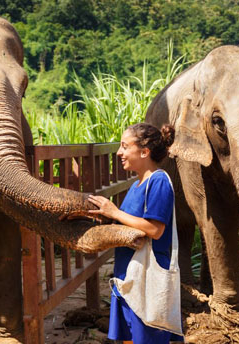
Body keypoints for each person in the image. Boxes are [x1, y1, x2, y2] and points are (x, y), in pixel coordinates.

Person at [88, 122, 183, 344]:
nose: (119, 152)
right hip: (128, 277)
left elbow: (155, 229)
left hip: (147, 279)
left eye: (124, 146)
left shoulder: (158, 181)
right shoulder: (137, 184)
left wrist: (115, 212)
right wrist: (108, 216)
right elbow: (133, 224)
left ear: (144, 151)